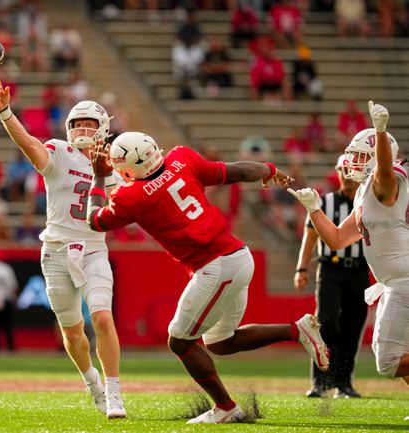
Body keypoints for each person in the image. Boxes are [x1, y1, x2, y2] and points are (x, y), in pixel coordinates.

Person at [86, 132, 329, 424]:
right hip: (238, 255)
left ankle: (226, 407)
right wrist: (269, 170)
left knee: (179, 342)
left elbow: (94, 220)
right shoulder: (182, 159)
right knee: (219, 342)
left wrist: (99, 177)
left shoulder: (132, 196)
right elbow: (234, 170)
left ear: (127, 169)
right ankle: (297, 330)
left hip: (216, 267)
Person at [0, 80, 126, 419]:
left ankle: (114, 394)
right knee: (71, 331)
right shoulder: (59, 153)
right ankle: (90, 380)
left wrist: (106, 175)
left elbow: (125, 208)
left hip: (94, 249)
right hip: (55, 250)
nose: (82, 129)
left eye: (89, 124)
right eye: (77, 124)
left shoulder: (116, 165)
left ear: (103, 129)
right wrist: (5, 112)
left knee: (103, 318)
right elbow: (27, 143)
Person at [290, 101, 409, 419]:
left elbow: (384, 170)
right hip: (395, 281)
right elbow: (338, 239)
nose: (352, 162)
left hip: (403, 280)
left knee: (387, 361)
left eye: (359, 156)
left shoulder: (386, 182)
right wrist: (314, 209)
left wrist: (381, 132)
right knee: (397, 355)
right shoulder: (365, 193)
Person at [294, 155, 368, 399]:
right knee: (325, 322)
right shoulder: (324, 202)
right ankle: (321, 382)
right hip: (330, 269)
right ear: (337, 172)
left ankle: (344, 384)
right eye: (343, 169)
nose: (347, 174)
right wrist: (301, 268)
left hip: (359, 270)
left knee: (353, 326)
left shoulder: (367, 202)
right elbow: (310, 236)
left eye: (352, 170)